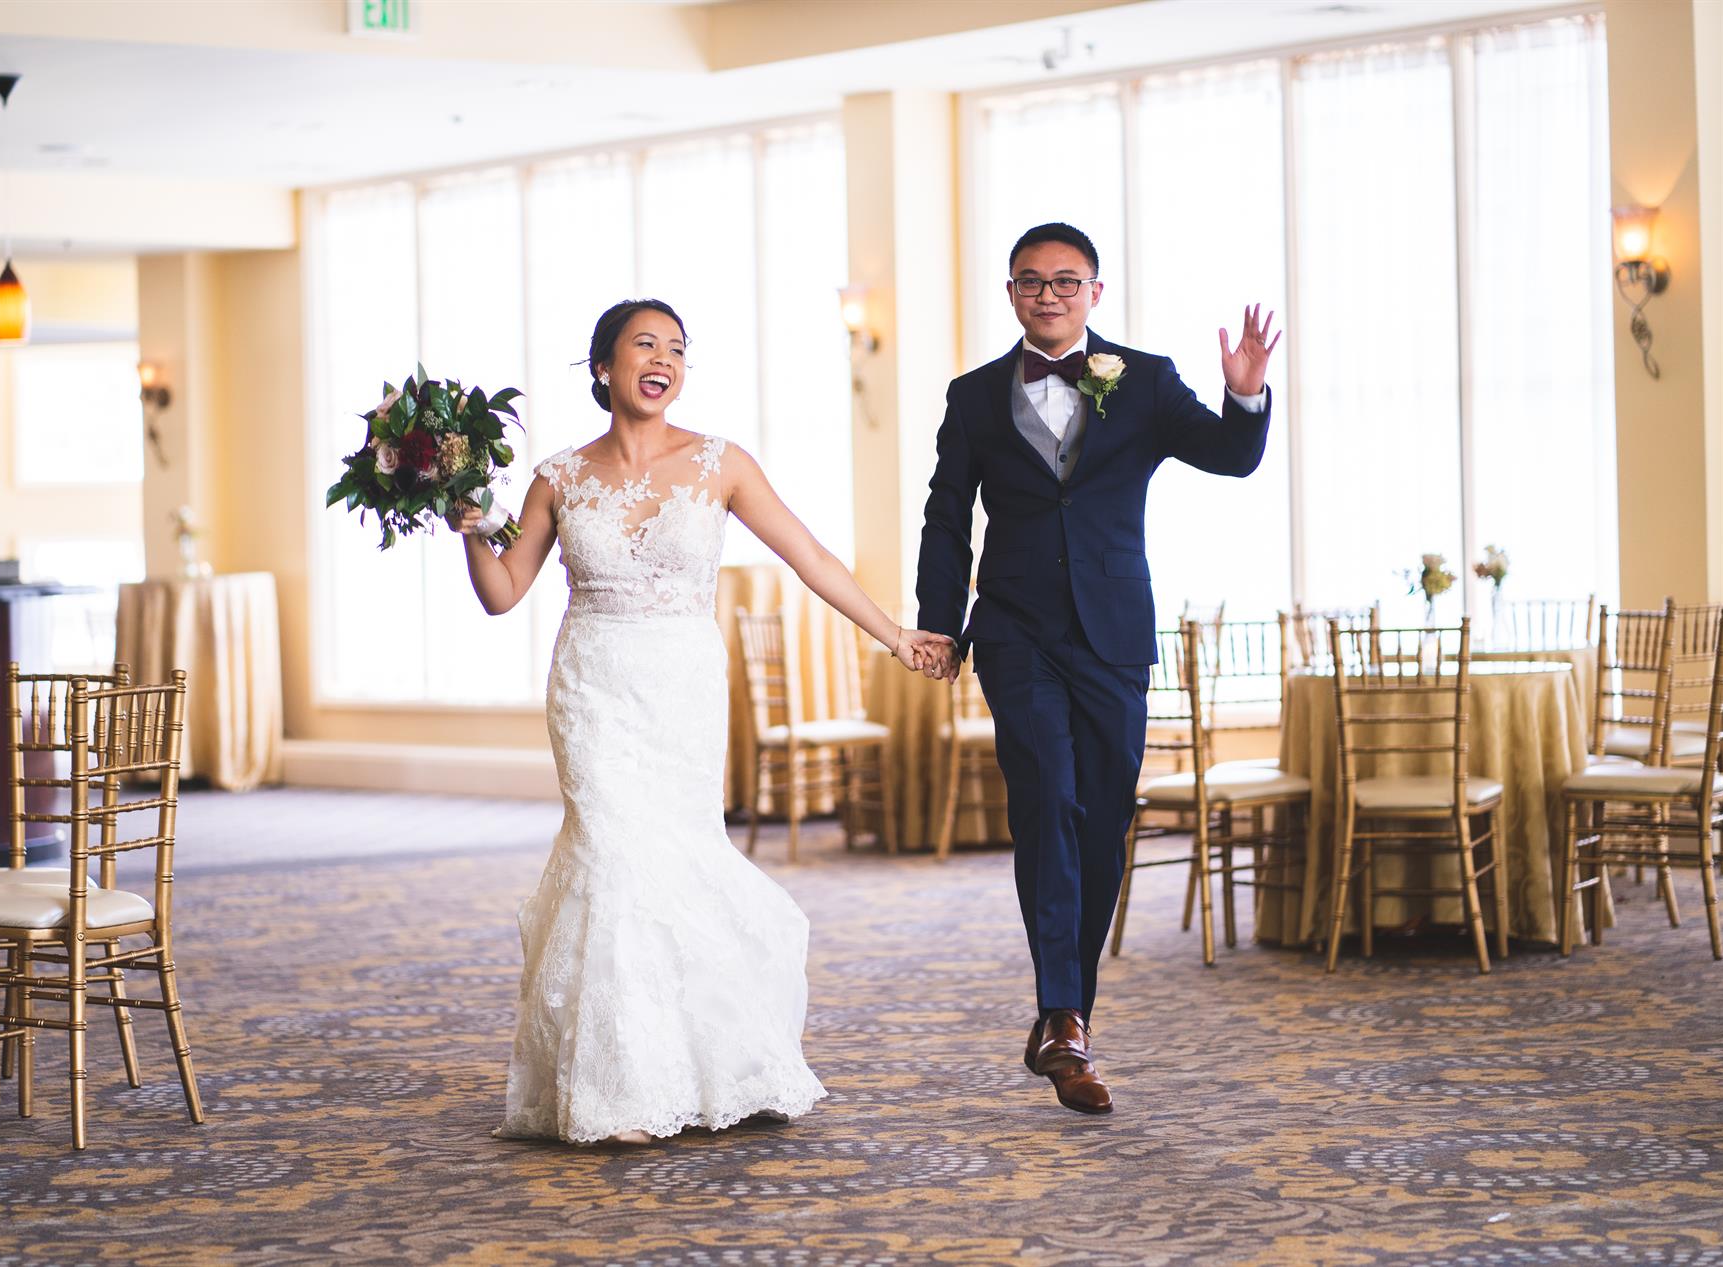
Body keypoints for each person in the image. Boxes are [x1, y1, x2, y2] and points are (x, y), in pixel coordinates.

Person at [450, 298, 951, 1145]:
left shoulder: (721, 463)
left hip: (682, 686)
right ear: (602, 365)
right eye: (645, 344)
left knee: (677, 857)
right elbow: (503, 593)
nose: (664, 360)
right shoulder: (558, 476)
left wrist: (895, 634)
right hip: (593, 686)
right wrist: (467, 530)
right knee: (609, 855)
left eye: (677, 349)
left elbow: (810, 556)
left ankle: (718, 1061)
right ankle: (617, 1087)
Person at [913, 222, 1279, 1115]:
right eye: (1031, 281)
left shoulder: (1143, 380)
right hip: (1015, 630)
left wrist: (1246, 395)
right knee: (1047, 797)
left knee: (1105, 812)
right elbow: (947, 515)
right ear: (1011, 292)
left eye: (1065, 280)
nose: (1048, 294)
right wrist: (940, 624)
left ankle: (1065, 1017)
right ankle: (1063, 1015)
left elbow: (1232, 457)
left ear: (1095, 293)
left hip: (1112, 630)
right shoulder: (972, 396)